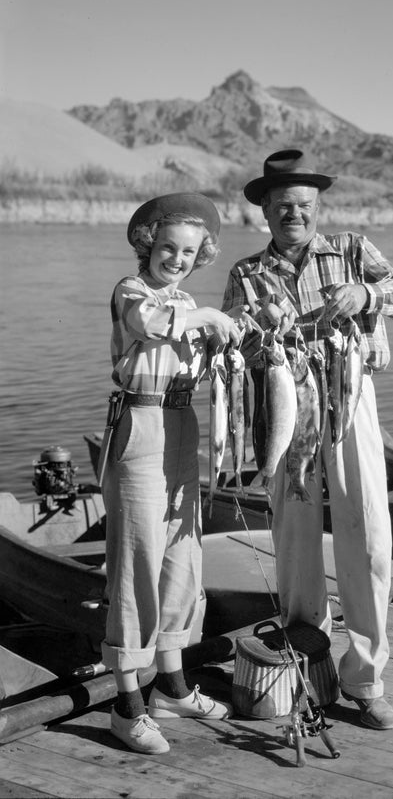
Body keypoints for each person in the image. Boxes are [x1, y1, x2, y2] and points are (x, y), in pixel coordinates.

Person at [222, 149, 393, 731]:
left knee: (367, 533)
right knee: (294, 538)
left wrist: (369, 297)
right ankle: (308, 667)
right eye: (282, 205)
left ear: (319, 206)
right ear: (264, 211)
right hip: (289, 410)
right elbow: (240, 352)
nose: (294, 214)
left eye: (303, 205)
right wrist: (259, 335)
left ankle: (365, 679)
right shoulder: (245, 274)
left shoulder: (353, 251)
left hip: (350, 402)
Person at [101, 192, 250, 754]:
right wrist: (207, 316)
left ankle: (172, 685)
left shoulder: (187, 301)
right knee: (137, 558)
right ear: (148, 244)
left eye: (189, 251)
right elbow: (150, 325)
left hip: (184, 424)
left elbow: (201, 348)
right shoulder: (132, 291)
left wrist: (232, 337)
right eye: (168, 247)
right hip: (139, 424)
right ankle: (126, 705)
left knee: (181, 557)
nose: (177, 259)